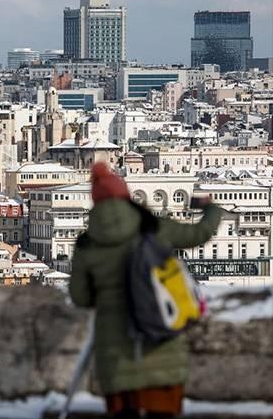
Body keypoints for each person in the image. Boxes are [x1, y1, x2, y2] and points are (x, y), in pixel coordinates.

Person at [70, 162, 223, 419]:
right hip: (160, 341)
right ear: (126, 195)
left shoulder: (87, 245)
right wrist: (212, 209)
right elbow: (200, 234)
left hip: (115, 354)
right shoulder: (154, 227)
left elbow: (80, 297)